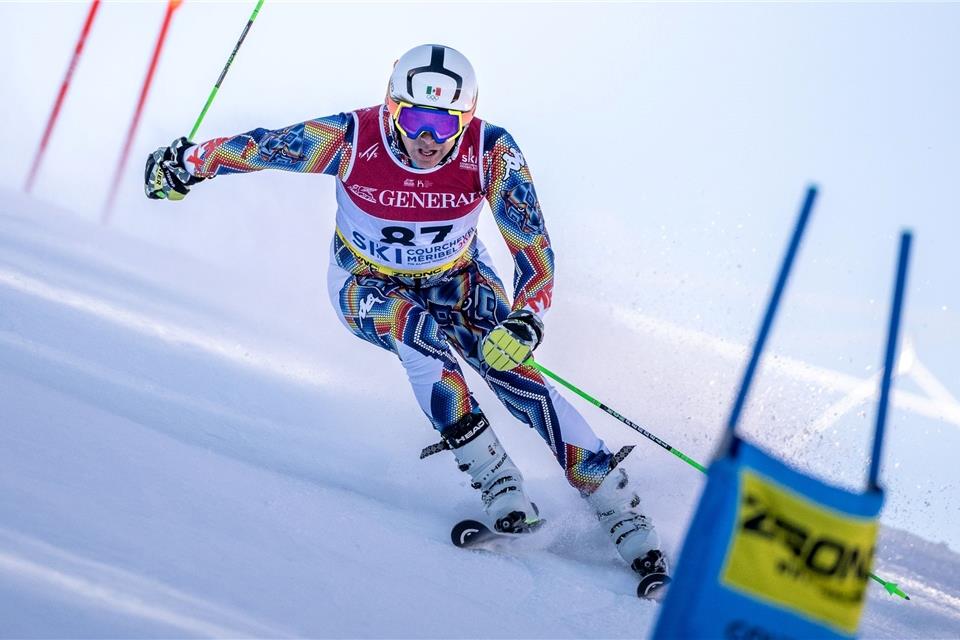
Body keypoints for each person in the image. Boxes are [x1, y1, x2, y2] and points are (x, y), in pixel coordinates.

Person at [145, 44, 669, 596]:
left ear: (466, 119)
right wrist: (186, 165)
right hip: (365, 283)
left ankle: (625, 516)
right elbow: (264, 147)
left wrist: (525, 322)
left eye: (446, 123)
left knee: (515, 374)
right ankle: (500, 486)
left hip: (458, 278)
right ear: (391, 107)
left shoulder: (490, 151)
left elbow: (534, 250)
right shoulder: (352, 137)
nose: (429, 137)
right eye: (416, 118)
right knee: (416, 334)